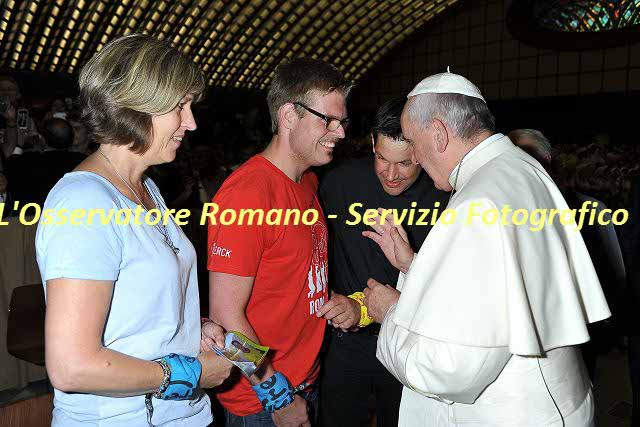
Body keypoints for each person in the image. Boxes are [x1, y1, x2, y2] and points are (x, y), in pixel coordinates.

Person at [362, 70, 611, 426]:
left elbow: (447, 369)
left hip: (511, 411)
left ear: (439, 133)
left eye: (413, 143)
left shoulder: (477, 202)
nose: (414, 158)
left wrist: (390, 313)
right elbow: (496, 290)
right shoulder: (518, 167)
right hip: (556, 397)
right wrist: (412, 267)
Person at [35, 34, 233, 427]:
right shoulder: (85, 202)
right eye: (179, 107)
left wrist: (189, 331)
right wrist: (190, 372)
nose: (191, 122)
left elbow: (135, 314)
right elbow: (72, 366)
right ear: (135, 106)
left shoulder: (145, 188)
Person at [207, 57, 351, 427]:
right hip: (263, 399)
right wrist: (278, 395)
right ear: (289, 115)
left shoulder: (307, 181)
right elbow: (226, 319)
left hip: (306, 380)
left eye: (342, 121)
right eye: (328, 120)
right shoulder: (248, 195)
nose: (339, 132)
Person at [316, 98, 447, 427]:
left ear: (421, 150)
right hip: (347, 343)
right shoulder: (339, 184)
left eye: (404, 163)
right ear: (373, 143)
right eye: (382, 158)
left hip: (410, 341)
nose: (391, 174)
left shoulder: (444, 195)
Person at [509, 128, 627, 379]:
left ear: (547, 159)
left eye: (527, 154)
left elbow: (614, 269)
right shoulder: (500, 210)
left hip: (577, 329)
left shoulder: (589, 208)